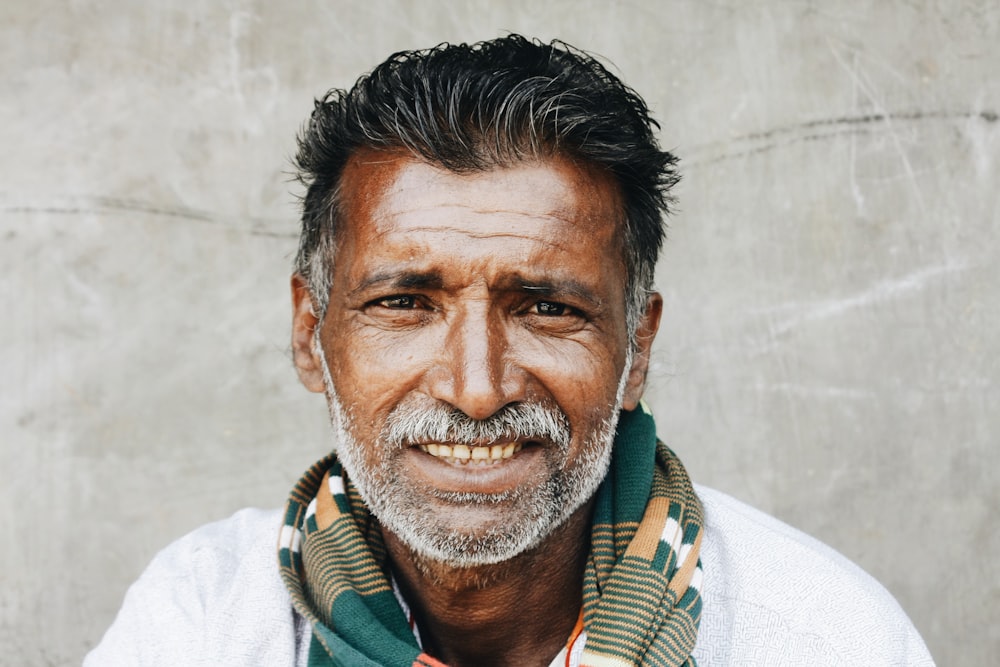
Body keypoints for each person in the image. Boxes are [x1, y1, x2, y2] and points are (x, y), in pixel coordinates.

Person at [86, 35, 934, 666]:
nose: (478, 388)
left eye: (547, 307)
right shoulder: (199, 624)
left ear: (636, 347)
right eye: (405, 304)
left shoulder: (825, 639)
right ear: (312, 335)